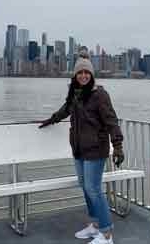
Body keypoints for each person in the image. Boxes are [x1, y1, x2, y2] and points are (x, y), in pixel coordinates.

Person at [39, 51, 124, 244]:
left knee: (93, 189)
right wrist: (51, 119)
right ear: (75, 75)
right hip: (79, 150)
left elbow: (111, 121)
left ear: (91, 74)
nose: (83, 75)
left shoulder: (100, 95)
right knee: (85, 188)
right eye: (80, 73)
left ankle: (107, 234)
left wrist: (117, 145)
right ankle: (95, 226)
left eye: (87, 72)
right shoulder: (75, 94)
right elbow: (65, 109)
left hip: (95, 149)